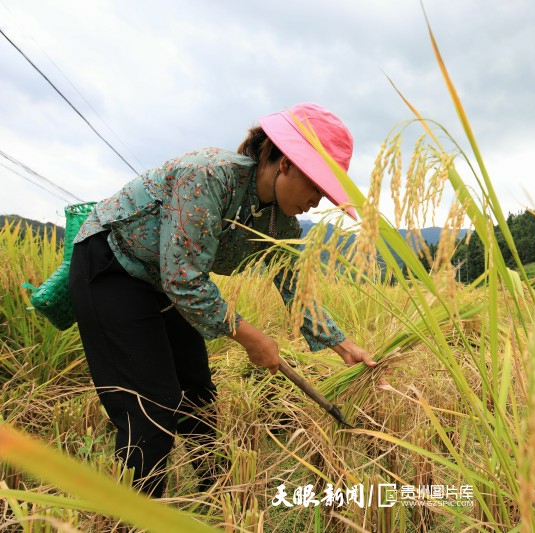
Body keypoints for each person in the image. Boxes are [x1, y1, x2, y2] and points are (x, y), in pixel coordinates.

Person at [68, 102, 375, 497]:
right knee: (153, 411)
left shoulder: (281, 223)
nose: (318, 201)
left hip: (161, 281)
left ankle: (220, 498)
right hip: (111, 265)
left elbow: (294, 287)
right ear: (285, 164)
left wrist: (342, 344)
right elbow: (184, 279)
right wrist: (251, 336)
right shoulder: (210, 176)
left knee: (198, 394)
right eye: (315, 185)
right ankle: (134, 517)